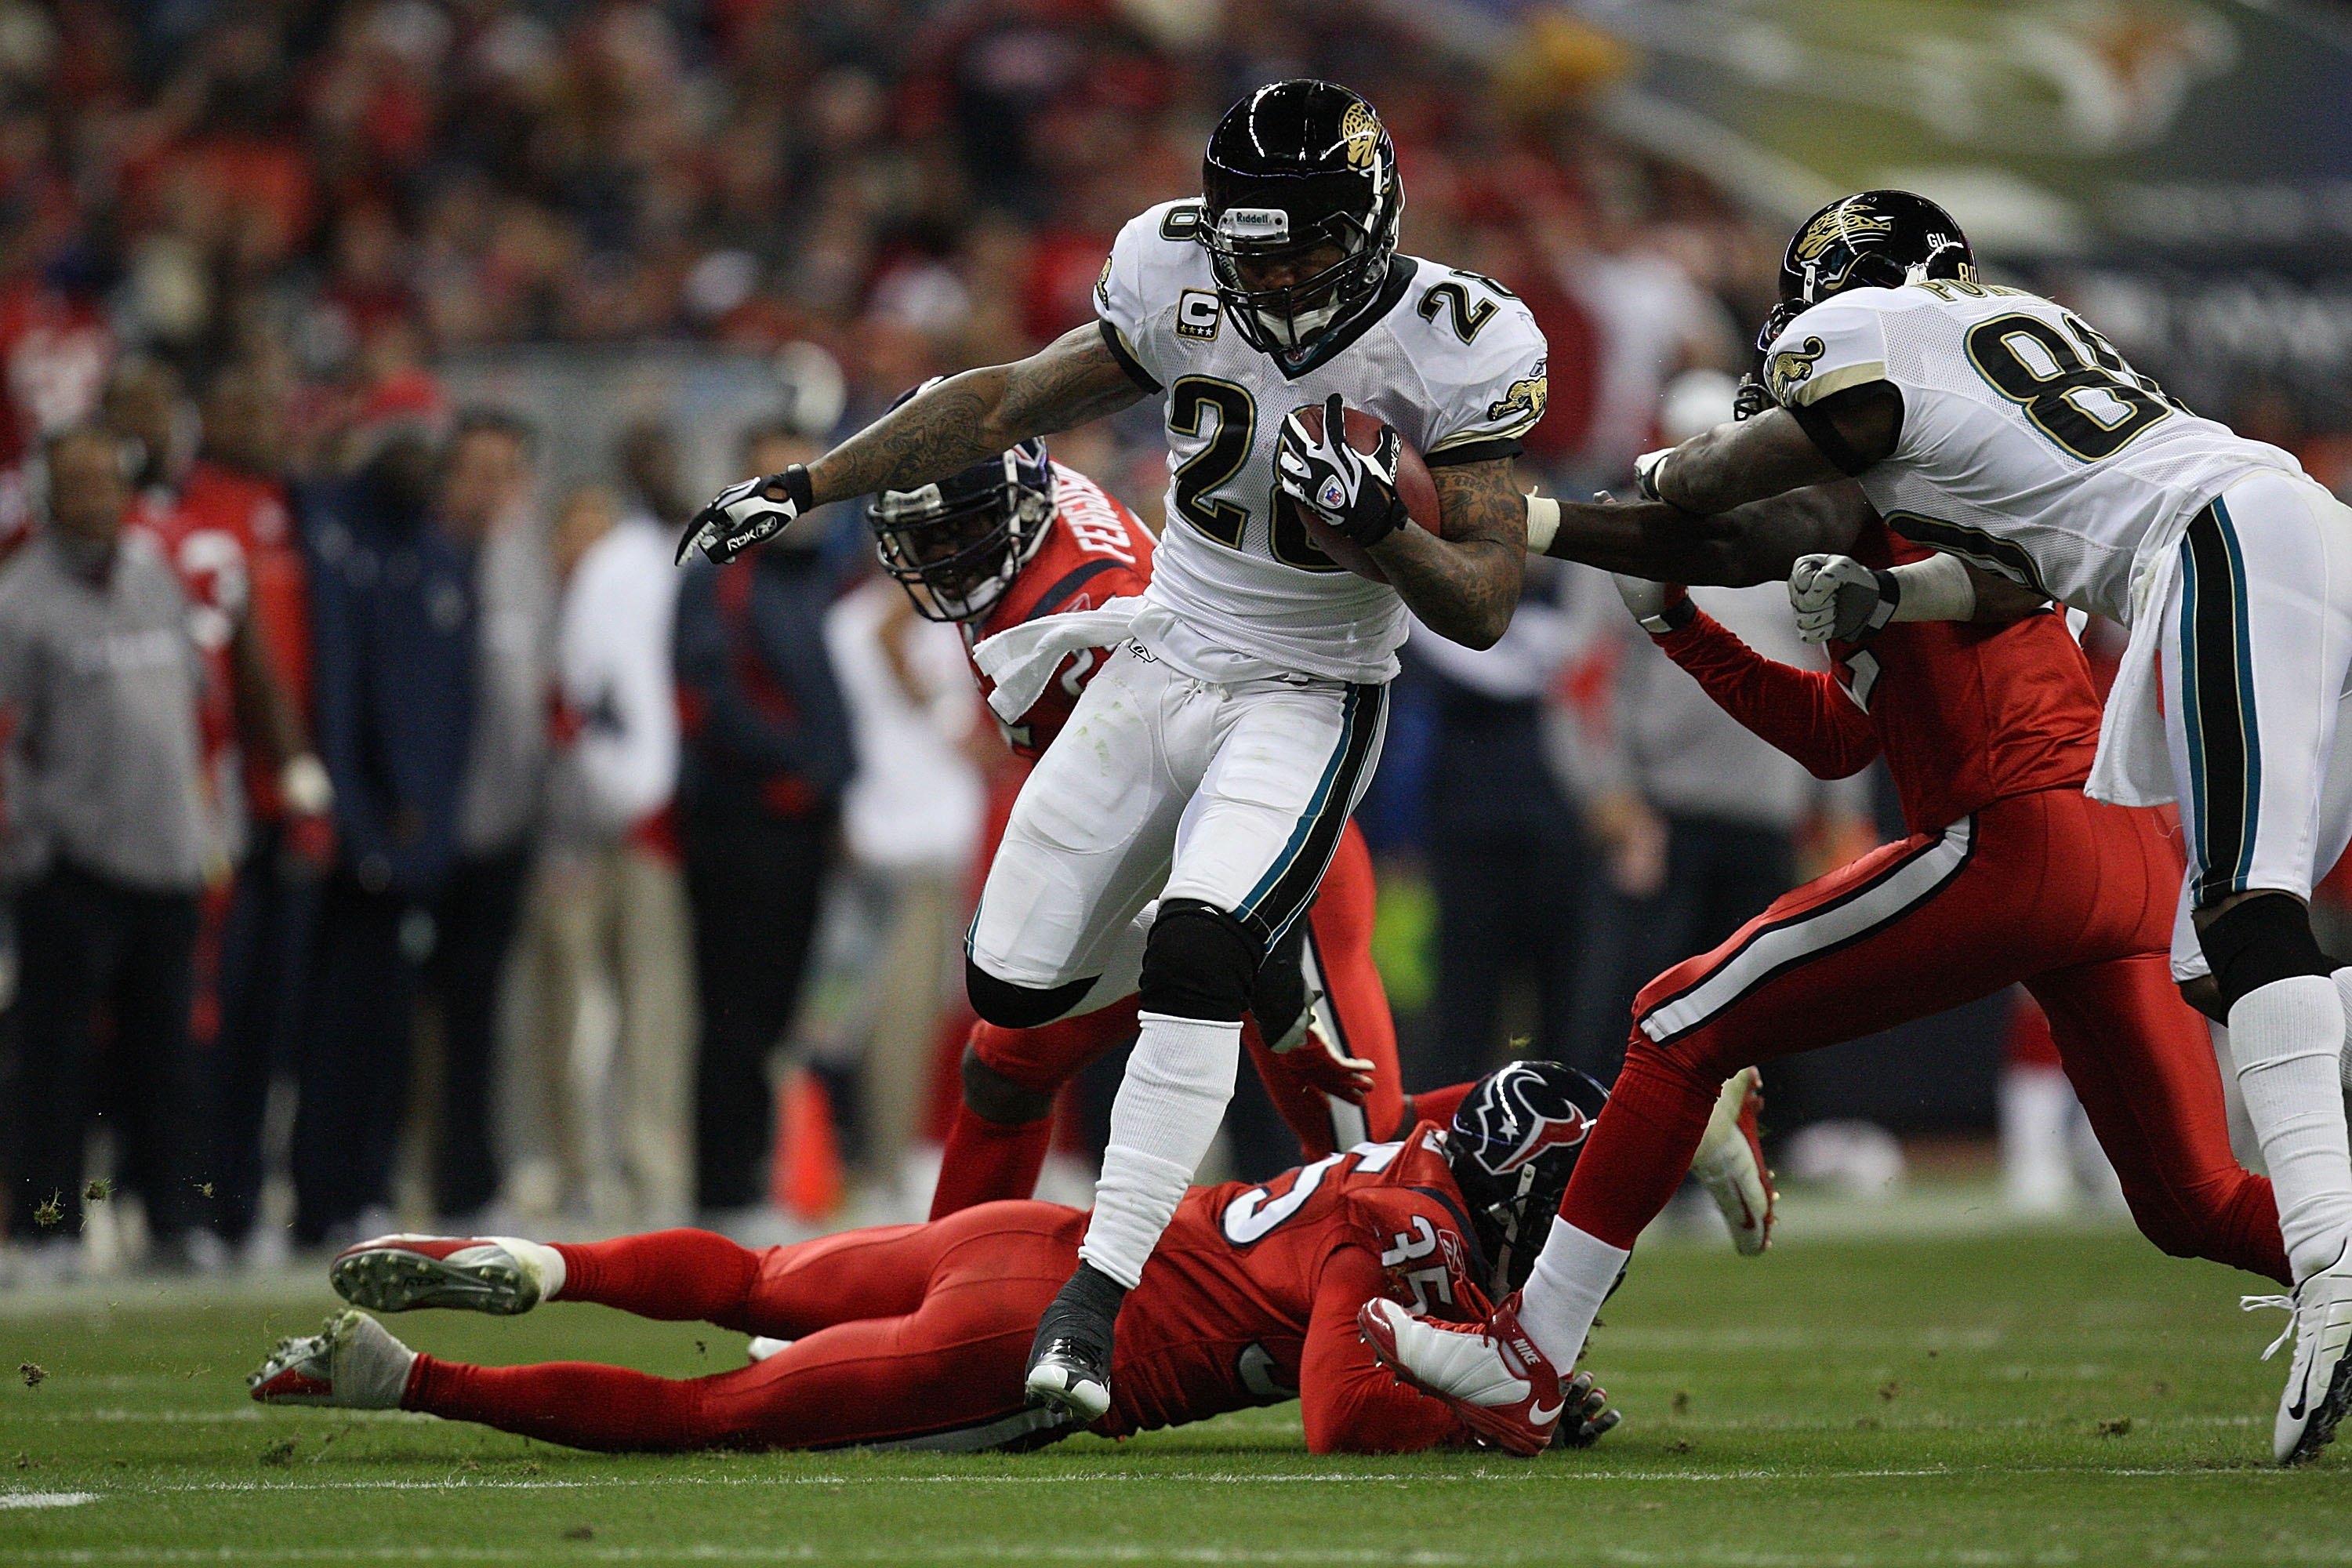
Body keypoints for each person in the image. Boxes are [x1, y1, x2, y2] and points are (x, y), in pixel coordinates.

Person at [1363, 190, 2351, 1465]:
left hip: (2024, 832)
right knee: (2188, 1196)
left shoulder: (1885, 418)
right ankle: (2334, 1254)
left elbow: (1729, 518)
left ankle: (1530, 1361)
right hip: (2115, 838)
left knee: (1674, 1021)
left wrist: (1563, 513)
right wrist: (1680, 628)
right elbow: (1842, 736)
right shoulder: (1975, 443)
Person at [677, 81, 1550, 1421]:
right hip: (1170, 669)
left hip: (1308, 695)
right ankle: (1549, 1142)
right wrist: (811, 482)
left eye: (1294, 248)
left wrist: (1383, 531)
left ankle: (1094, 1307)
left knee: (1314, 1096)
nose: (1262, 275)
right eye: (1243, 245)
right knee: (1011, 1003)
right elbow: (1004, 398)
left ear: (1367, 226)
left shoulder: (1457, 338)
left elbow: (1481, 604)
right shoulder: (1176, 272)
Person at [249, 1061, 1620, 1457]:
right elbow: (1339, 1411)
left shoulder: (1422, 1151)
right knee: (708, 1416)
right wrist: (1479, 1418)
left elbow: (1466, 1119)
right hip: (1042, 1347)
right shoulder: (1415, 1239)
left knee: (753, 1279)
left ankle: (548, 1261)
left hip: (1038, 1241)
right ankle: (408, 1380)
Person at [848, 401, 1415, 1221]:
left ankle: (1456, 1268)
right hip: (1156, 863)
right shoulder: (1044, 513)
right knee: (1003, 1064)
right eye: (919, 537)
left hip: (1269, 876)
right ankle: (948, 1303)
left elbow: (1208, 785)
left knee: (1359, 1149)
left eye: (952, 531)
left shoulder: (1078, 622)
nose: (936, 559)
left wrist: (1278, 979)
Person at [0, 426, 216, 1274]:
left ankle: (171, 1219)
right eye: (78, 484)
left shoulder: (153, 575)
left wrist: (208, 826)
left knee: (167, 1057)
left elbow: (197, 705)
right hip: (73, 865)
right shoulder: (18, 601)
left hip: (167, 855)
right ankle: (47, 1227)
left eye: (106, 482)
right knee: (53, 1062)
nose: (96, 499)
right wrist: (30, 843)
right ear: (51, 497)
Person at [295, 428, 476, 1248]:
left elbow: (452, 714)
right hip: (361, 838)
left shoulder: (440, 559)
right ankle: (318, 1194)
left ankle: (362, 1188)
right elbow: (348, 695)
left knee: (389, 1031)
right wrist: (365, 821)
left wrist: (431, 823)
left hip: (422, 844)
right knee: (335, 1027)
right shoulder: (351, 552)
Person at [673, 420, 854, 1235]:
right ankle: (721, 1184)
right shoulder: (720, 567)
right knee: (737, 1005)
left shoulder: (810, 574)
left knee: (777, 1004)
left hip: (802, 819)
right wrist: (798, 767)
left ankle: (746, 1172)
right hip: (744, 818)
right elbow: (707, 697)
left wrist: (832, 782)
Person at [525, 480, 692, 1229]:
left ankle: (649, 1163)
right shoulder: (535, 614)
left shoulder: (643, 607)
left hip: (645, 833)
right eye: (574, 533)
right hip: (564, 835)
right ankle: (572, 1168)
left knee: (651, 1004)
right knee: (567, 1009)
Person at [429, 408, 551, 1227]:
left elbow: (542, 700)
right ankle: (361, 1178)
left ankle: (467, 1179)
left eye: (505, 471)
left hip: (505, 822)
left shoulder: (526, 566)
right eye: (476, 468)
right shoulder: (423, 557)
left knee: (481, 1013)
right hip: (420, 825)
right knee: (397, 1014)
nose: (491, 487)